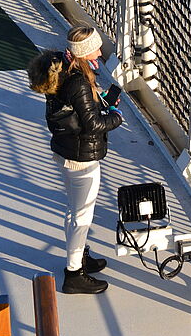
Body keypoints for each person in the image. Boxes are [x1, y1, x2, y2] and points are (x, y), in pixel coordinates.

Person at [27, 26, 123, 294]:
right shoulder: (80, 81)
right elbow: (92, 124)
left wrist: (96, 101)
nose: (100, 51)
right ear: (84, 52)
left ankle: (79, 257)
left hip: (65, 151)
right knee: (82, 215)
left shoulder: (63, 69)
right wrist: (115, 116)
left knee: (74, 209)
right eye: (95, 47)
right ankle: (74, 274)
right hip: (81, 158)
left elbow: (78, 110)